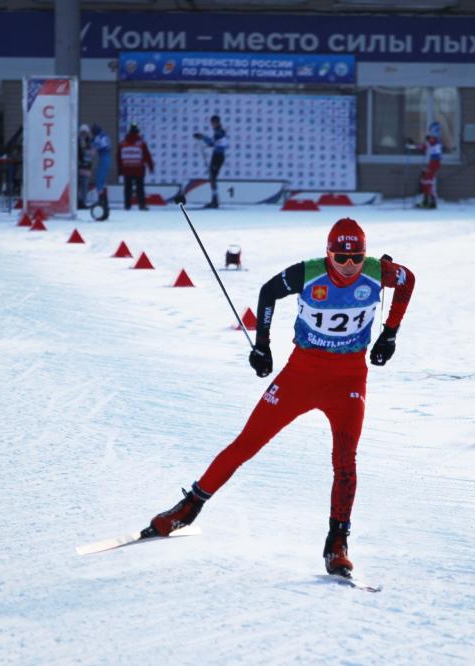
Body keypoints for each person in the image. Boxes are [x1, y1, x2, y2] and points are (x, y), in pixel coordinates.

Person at [143, 218, 416, 577]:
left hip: (349, 379)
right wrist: (262, 346)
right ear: (328, 253)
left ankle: (337, 542)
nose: (348, 266)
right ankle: (188, 508)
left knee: (346, 460)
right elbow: (269, 292)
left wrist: (390, 334)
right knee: (247, 443)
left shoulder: (377, 272)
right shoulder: (309, 273)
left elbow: (408, 280)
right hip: (300, 374)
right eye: (340, 257)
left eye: (356, 258)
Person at [193, 114, 227, 209]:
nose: (212, 124)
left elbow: (212, 142)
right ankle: (214, 200)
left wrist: (202, 137)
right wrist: (203, 138)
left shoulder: (219, 132)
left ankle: (215, 201)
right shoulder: (218, 131)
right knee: (212, 178)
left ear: (217, 122)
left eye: (213, 123)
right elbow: (214, 143)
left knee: (212, 178)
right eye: (212, 123)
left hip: (218, 156)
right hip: (217, 155)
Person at [118, 122, 155, 211]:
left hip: (127, 169)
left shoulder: (123, 143)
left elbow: (118, 157)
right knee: (140, 188)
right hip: (139, 169)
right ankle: (141, 205)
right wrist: (151, 166)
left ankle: (127, 205)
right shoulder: (141, 142)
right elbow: (147, 155)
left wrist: (120, 170)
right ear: (137, 132)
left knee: (127, 188)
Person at [407, 122, 443, 209]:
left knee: (427, 181)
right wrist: (412, 146)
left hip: (435, 163)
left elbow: (430, 143)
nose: (430, 132)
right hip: (433, 162)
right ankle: (429, 201)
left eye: (431, 130)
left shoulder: (435, 140)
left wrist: (426, 142)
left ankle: (428, 202)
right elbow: (423, 146)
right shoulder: (432, 140)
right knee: (426, 181)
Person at [90, 124, 111, 206]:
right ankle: (104, 201)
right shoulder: (105, 135)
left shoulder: (98, 137)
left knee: (99, 181)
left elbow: (93, 152)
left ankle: (101, 200)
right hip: (106, 158)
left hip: (103, 159)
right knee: (102, 181)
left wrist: (91, 145)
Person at [77, 124, 92, 209]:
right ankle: (79, 202)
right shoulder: (79, 142)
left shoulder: (88, 141)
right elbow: (82, 154)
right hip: (80, 166)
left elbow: (89, 155)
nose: (84, 134)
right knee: (80, 185)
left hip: (86, 167)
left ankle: (82, 202)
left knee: (84, 186)